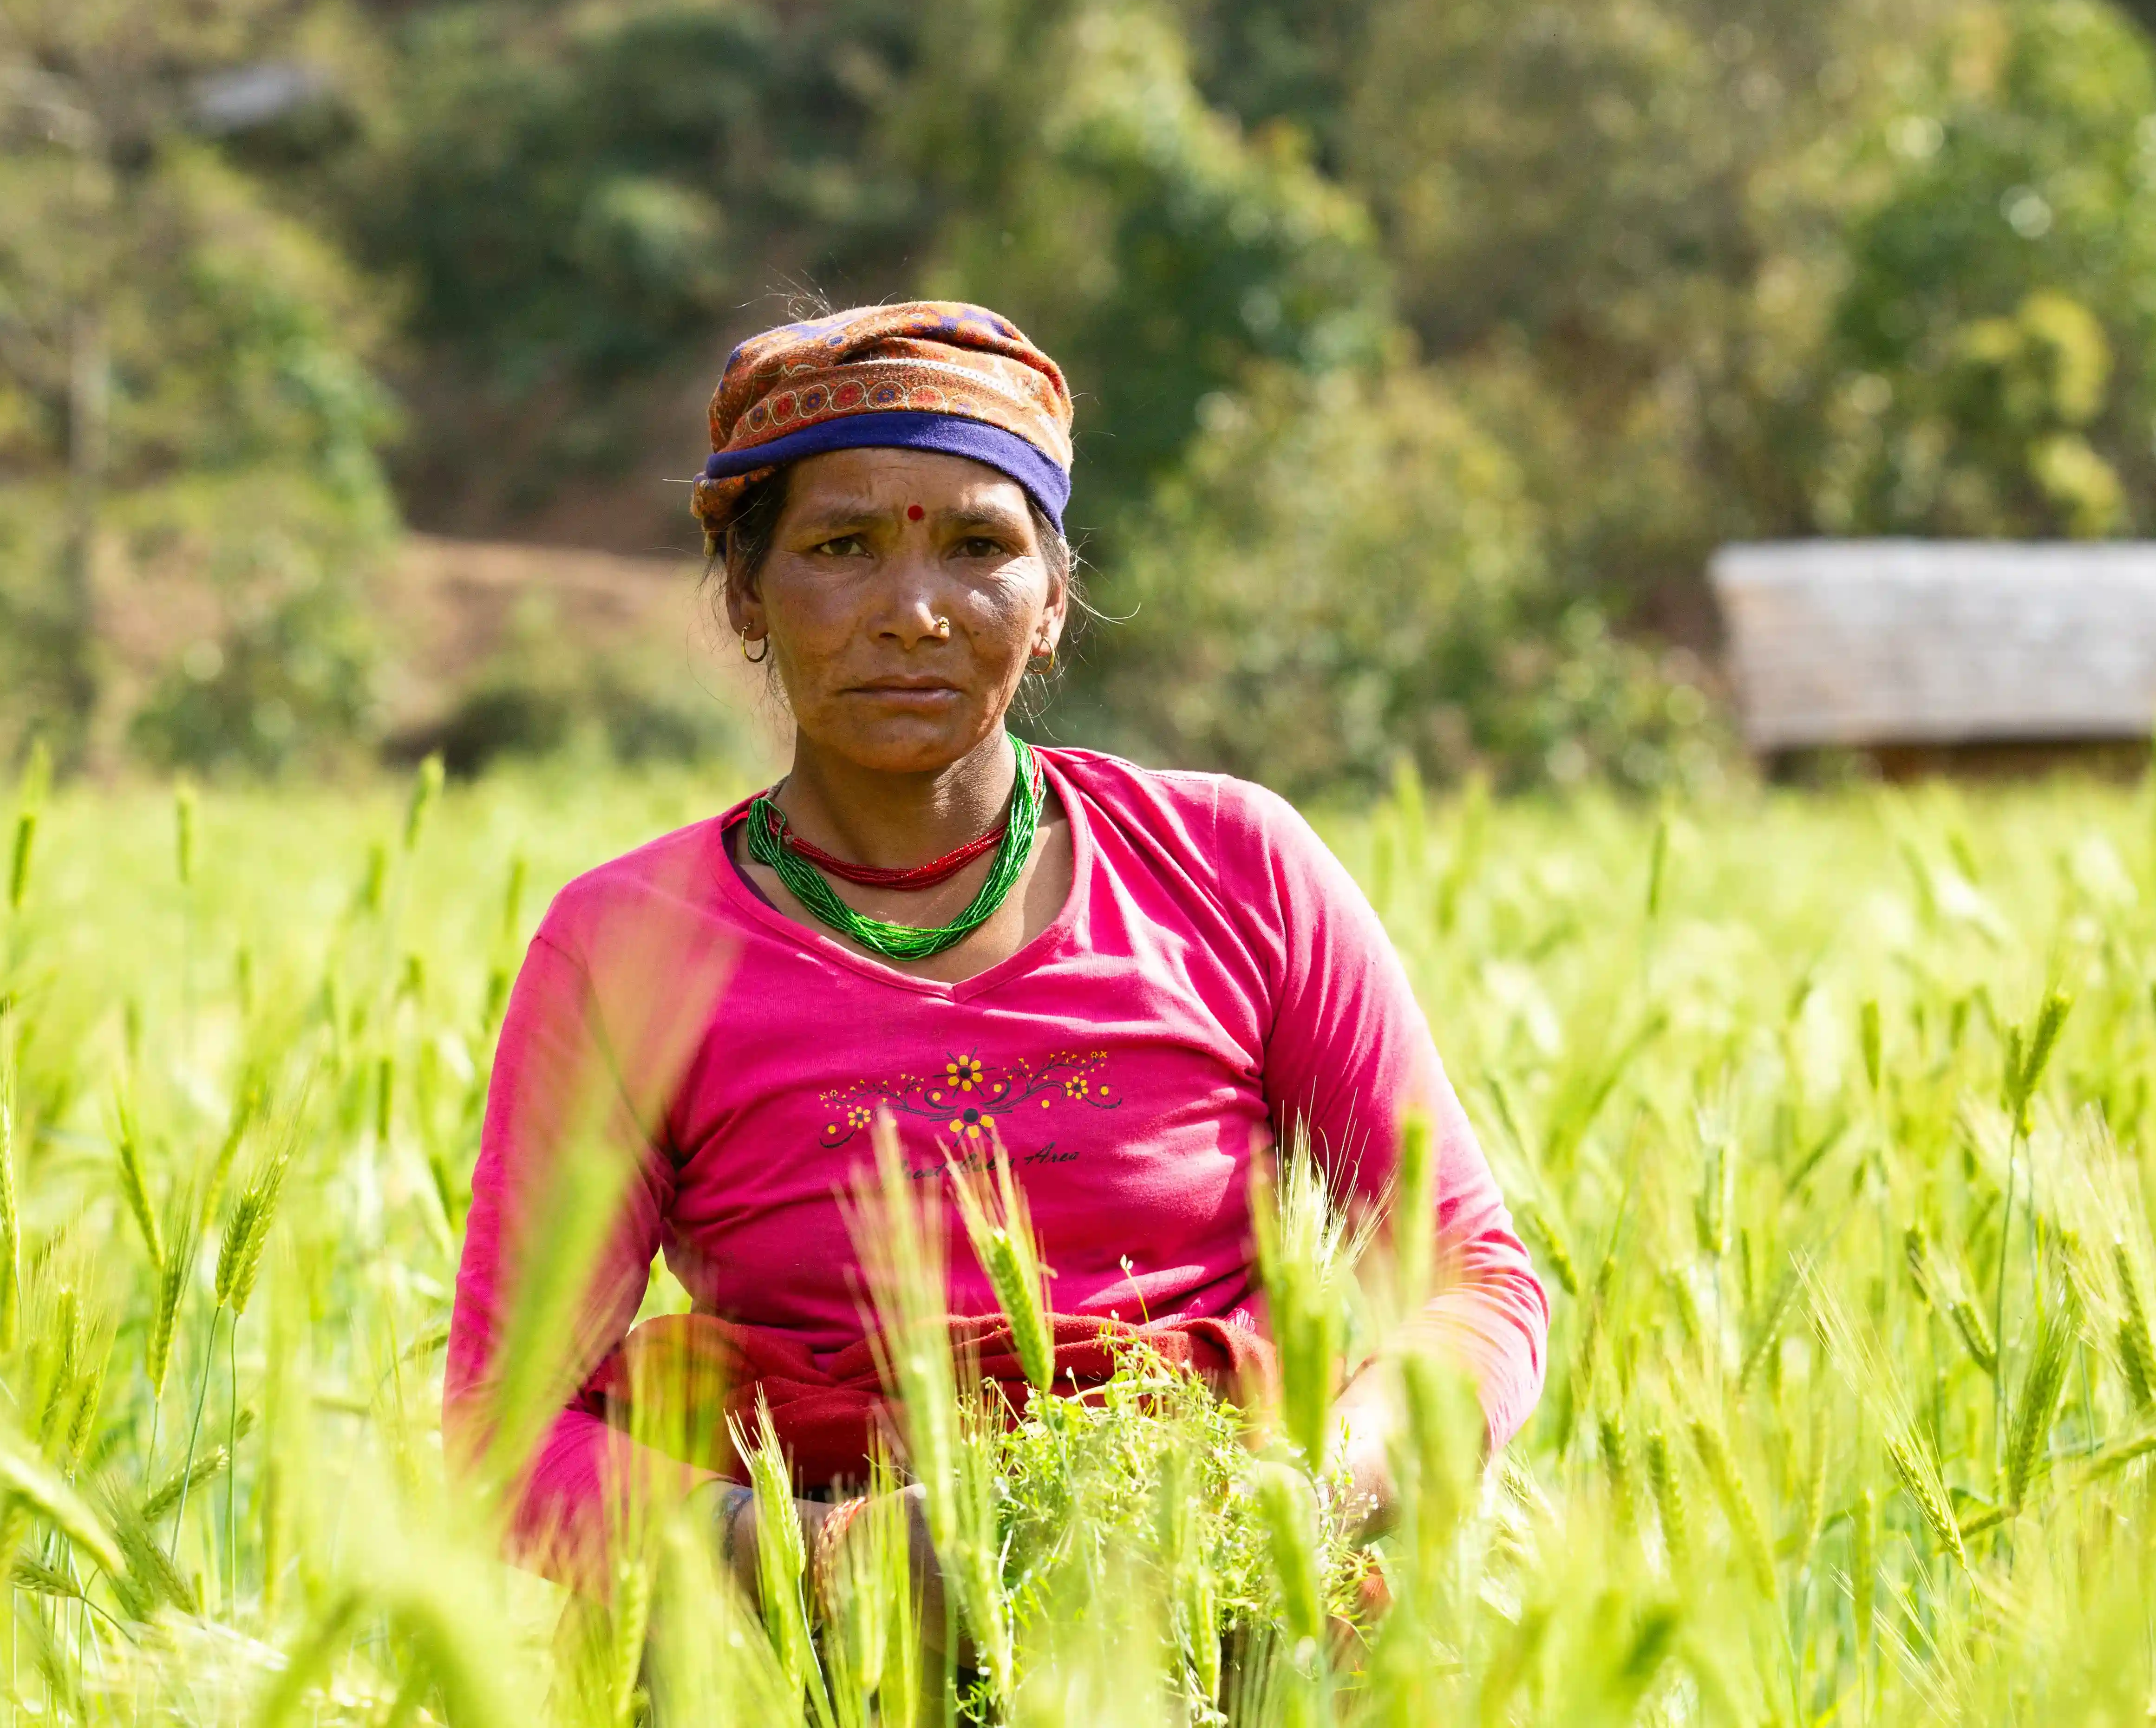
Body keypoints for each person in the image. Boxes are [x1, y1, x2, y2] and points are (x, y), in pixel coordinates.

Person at [443, 300, 1548, 1604]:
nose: (913, 610)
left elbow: (1472, 1283)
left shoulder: (1237, 867)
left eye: (980, 546)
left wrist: (1317, 1494)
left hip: (1225, 1617)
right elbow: (504, 1434)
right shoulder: (628, 950)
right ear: (748, 594)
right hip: (806, 1653)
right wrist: (821, 1560)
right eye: (841, 546)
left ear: (1051, 602)